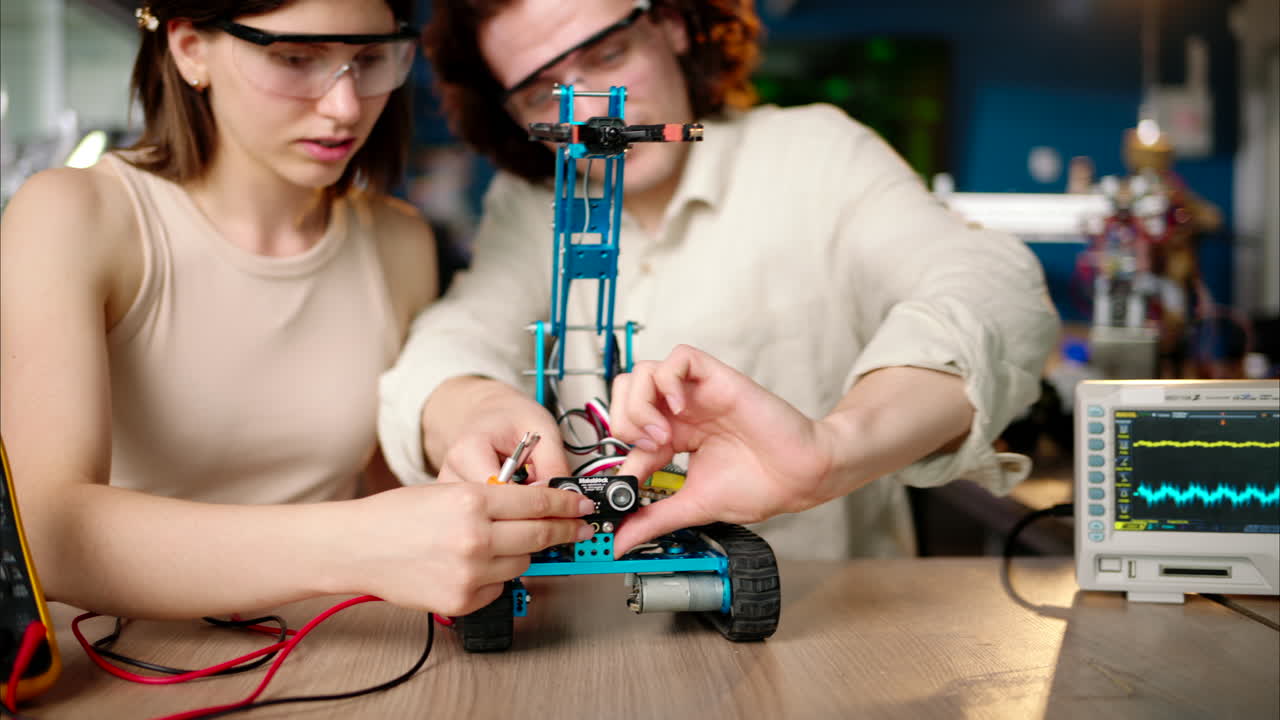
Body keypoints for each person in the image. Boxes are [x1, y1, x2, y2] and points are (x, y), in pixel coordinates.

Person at [378, 0, 1061, 560]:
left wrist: (833, 449)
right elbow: (453, 339)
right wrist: (471, 412)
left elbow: (991, 289)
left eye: (609, 54)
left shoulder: (816, 155)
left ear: (673, 23)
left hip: (825, 644)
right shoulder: (528, 206)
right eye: (541, 90)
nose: (592, 115)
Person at [0, 0, 597, 621]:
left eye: (369, 60)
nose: (345, 107)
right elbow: (46, 532)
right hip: (126, 663)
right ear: (189, 49)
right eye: (294, 59)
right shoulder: (73, 215)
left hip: (339, 645)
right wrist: (361, 544)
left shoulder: (397, 240)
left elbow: (390, 492)